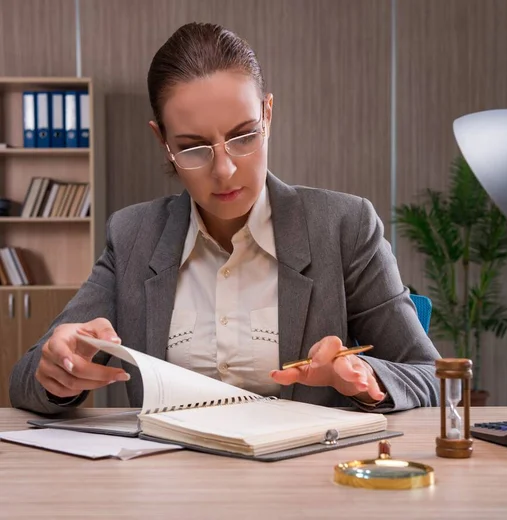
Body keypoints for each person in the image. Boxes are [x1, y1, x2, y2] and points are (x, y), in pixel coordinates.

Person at [9, 22, 440, 415]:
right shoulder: (133, 235)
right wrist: (58, 371)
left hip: (304, 489)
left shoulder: (344, 226)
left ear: (267, 115)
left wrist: (365, 377)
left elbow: (432, 376)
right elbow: (26, 381)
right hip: (168, 488)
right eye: (194, 147)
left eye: (244, 136)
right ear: (162, 140)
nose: (225, 170)